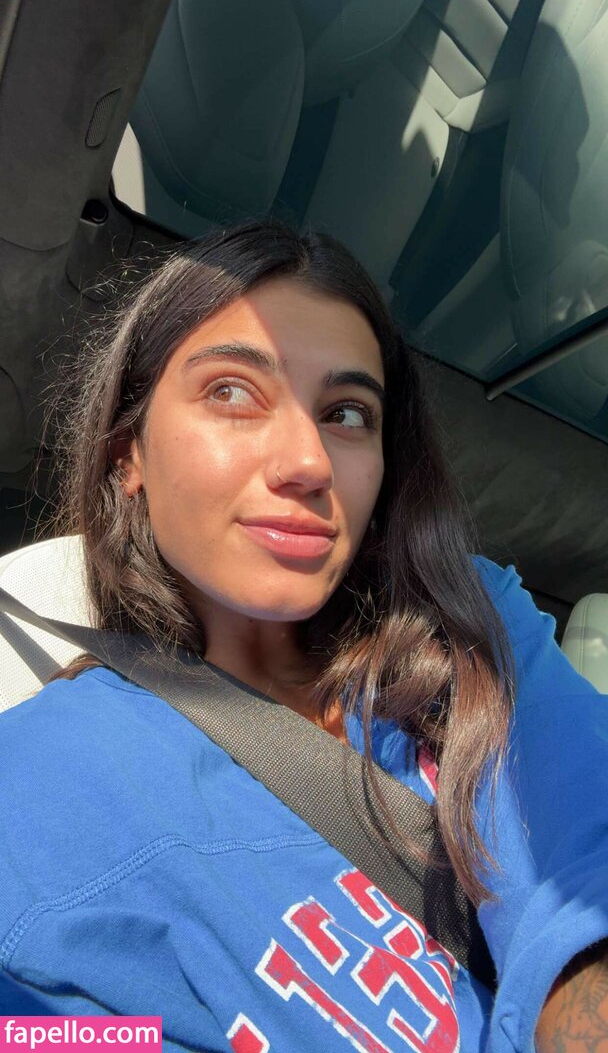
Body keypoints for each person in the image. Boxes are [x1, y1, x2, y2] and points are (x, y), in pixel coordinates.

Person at [0, 221, 605, 1052]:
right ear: (125, 454)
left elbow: (582, 868)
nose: (310, 462)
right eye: (231, 393)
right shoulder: (35, 785)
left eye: (347, 413)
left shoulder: (467, 622)